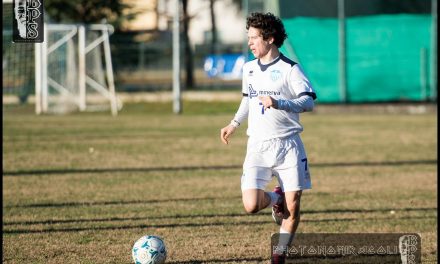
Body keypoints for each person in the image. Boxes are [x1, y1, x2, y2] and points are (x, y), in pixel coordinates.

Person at [220, 12, 317, 263]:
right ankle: (275, 199)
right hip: (258, 145)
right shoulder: (249, 68)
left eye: (254, 38)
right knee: (251, 204)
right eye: (248, 37)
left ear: (270, 39)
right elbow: (247, 99)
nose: (250, 43)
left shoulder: (290, 69)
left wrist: (279, 102)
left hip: (288, 146)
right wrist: (233, 124)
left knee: (293, 207)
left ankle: (279, 255)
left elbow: (308, 101)